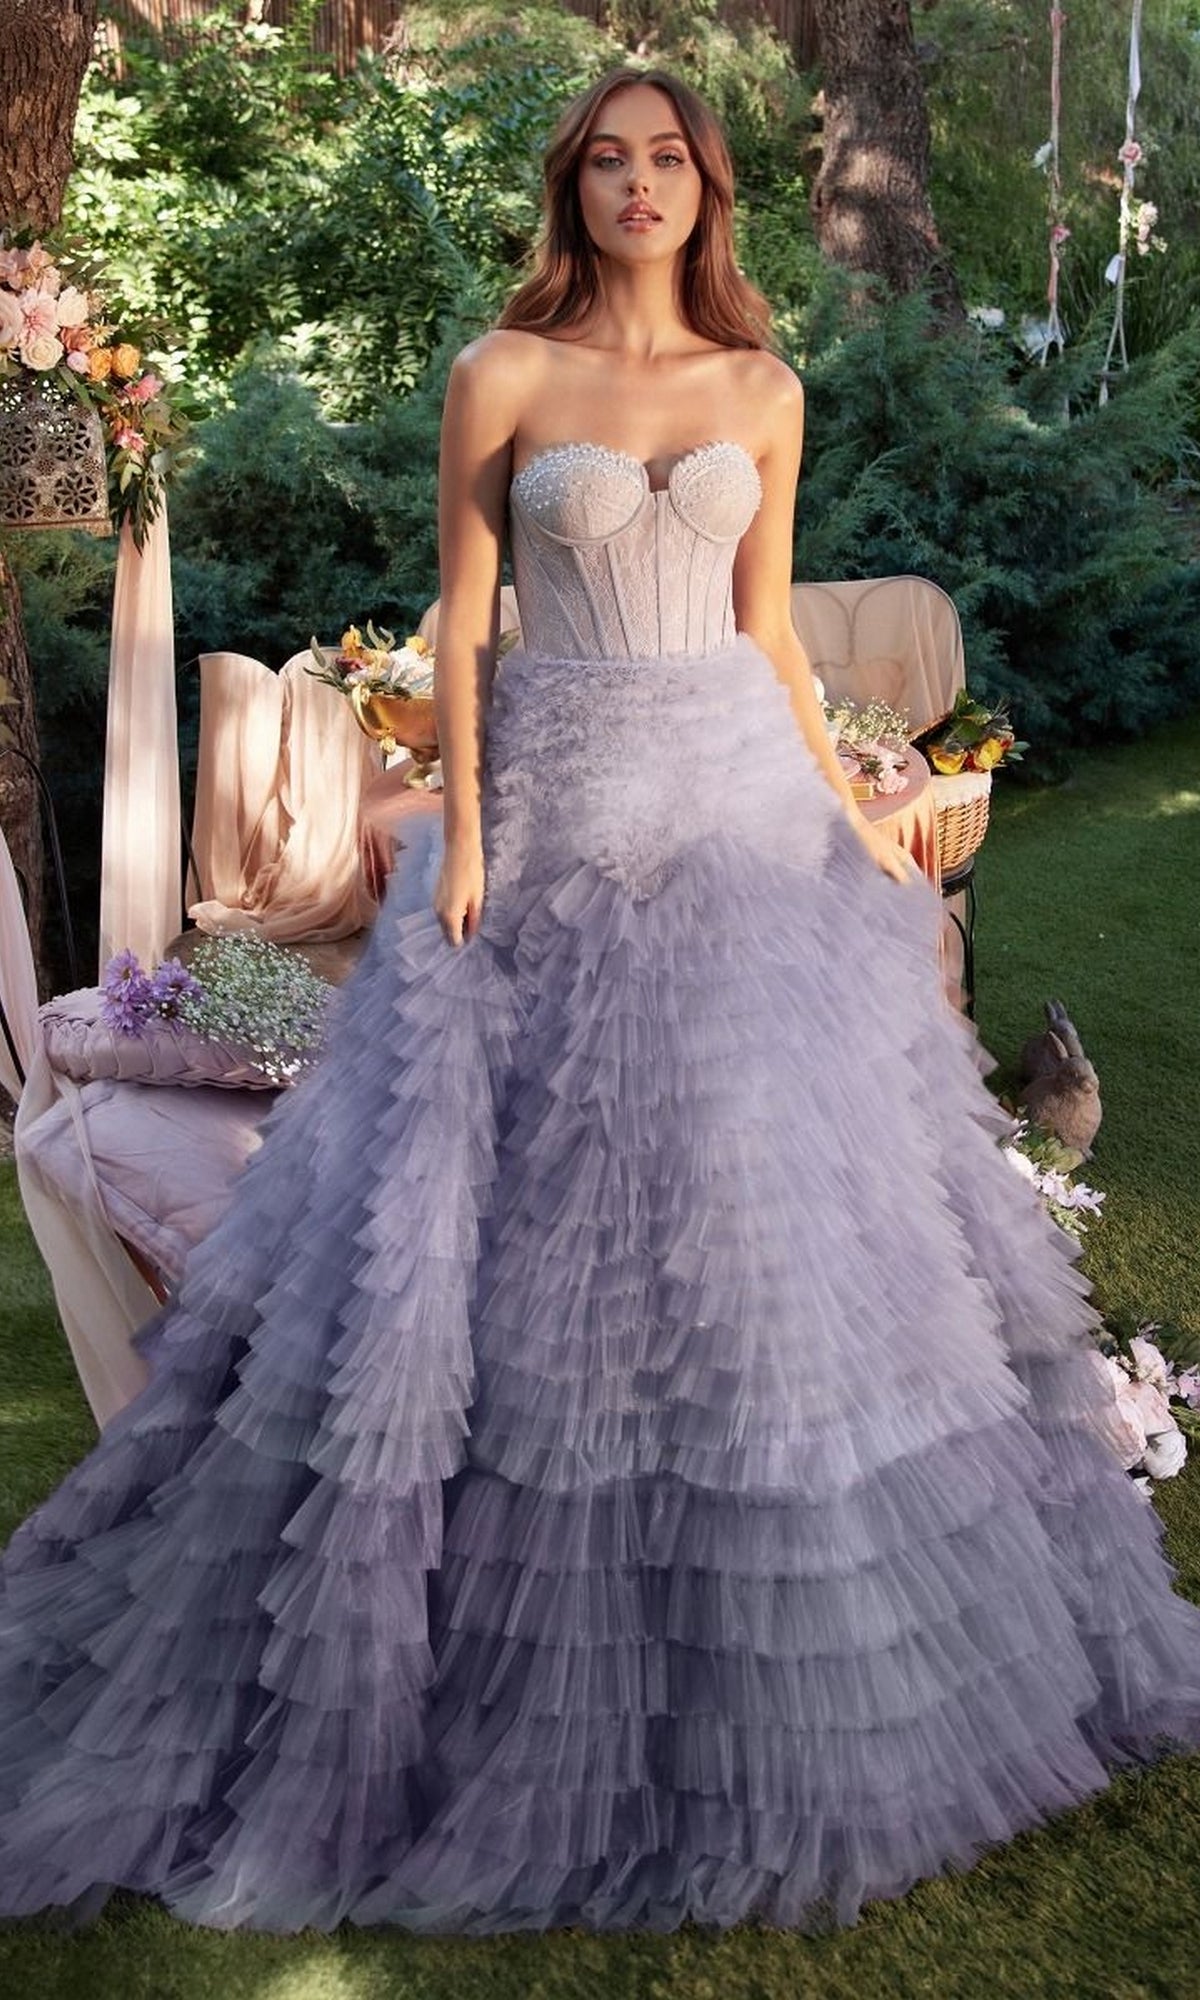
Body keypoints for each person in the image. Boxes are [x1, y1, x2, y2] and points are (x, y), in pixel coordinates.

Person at [1, 65, 1199, 1940]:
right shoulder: (506, 372)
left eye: (669, 160)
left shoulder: (761, 388)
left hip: (731, 810)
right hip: (550, 815)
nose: (640, 185)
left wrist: (852, 806)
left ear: (712, 192)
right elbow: (465, 624)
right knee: (520, 1214)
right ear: (575, 189)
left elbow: (765, 629)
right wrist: (462, 837)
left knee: (756, 1199)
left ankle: (791, 1599)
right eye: (609, 161)